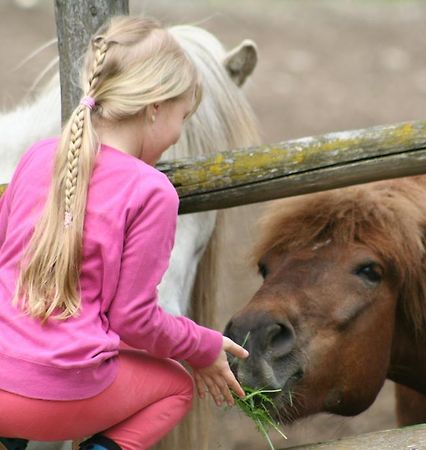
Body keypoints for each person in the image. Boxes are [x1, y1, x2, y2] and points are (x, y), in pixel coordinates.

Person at [0, 16, 248, 450]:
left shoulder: (38, 157)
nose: (177, 135)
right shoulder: (151, 191)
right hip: (57, 399)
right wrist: (203, 346)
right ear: (155, 108)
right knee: (176, 387)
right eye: (182, 117)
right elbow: (133, 321)